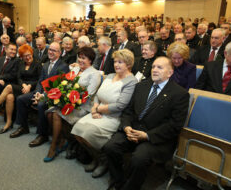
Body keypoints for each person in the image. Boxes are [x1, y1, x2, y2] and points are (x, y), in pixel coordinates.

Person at [104, 56, 189, 190]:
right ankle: (118, 181)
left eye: (160, 67)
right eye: (153, 66)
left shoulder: (180, 94)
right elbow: (128, 111)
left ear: (170, 72)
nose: (154, 70)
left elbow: (174, 125)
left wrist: (147, 135)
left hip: (155, 137)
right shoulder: (141, 86)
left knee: (139, 158)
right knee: (110, 146)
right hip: (133, 130)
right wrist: (126, 127)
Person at [72, 49, 137, 178]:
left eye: (120, 62)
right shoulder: (111, 75)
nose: (116, 65)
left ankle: (103, 160)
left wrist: (97, 109)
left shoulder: (131, 81)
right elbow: (97, 95)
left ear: (128, 64)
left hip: (113, 117)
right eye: (115, 61)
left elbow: (120, 105)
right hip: (98, 111)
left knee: (88, 134)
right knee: (77, 131)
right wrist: (95, 107)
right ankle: (96, 157)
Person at [44, 47, 101, 162]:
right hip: (68, 101)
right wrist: (62, 97)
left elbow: (88, 95)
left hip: (82, 106)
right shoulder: (75, 70)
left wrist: (68, 100)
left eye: (83, 58)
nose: (80, 60)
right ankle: (62, 140)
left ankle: (53, 146)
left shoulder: (94, 74)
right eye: (79, 57)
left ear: (90, 60)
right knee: (49, 113)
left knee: (55, 114)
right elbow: (65, 84)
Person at [9, 42, 69, 148]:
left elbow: (60, 87)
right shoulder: (46, 64)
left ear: (59, 53)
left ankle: (43, 135)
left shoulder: (63, 66)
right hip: (40, 92)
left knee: (41, 104)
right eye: (49, 49)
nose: (50, 52)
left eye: (54, 50)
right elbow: (40, 81)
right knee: (20, 99)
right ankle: (24, 127)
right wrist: (37, 93)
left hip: (53, 96)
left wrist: (43, 96)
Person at [0, 45, 42, 134]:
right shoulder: (21, 63)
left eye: (29, 55)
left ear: (32, 53)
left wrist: (29, 86)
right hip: (22, 86)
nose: (27, 57)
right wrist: (24, 84)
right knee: (9, 96)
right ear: (21, 57)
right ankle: (9, 122)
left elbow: (39, 80)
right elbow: (19, 78)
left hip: (32, 88)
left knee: (9, 88)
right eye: (25, 56)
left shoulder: (37, 64)